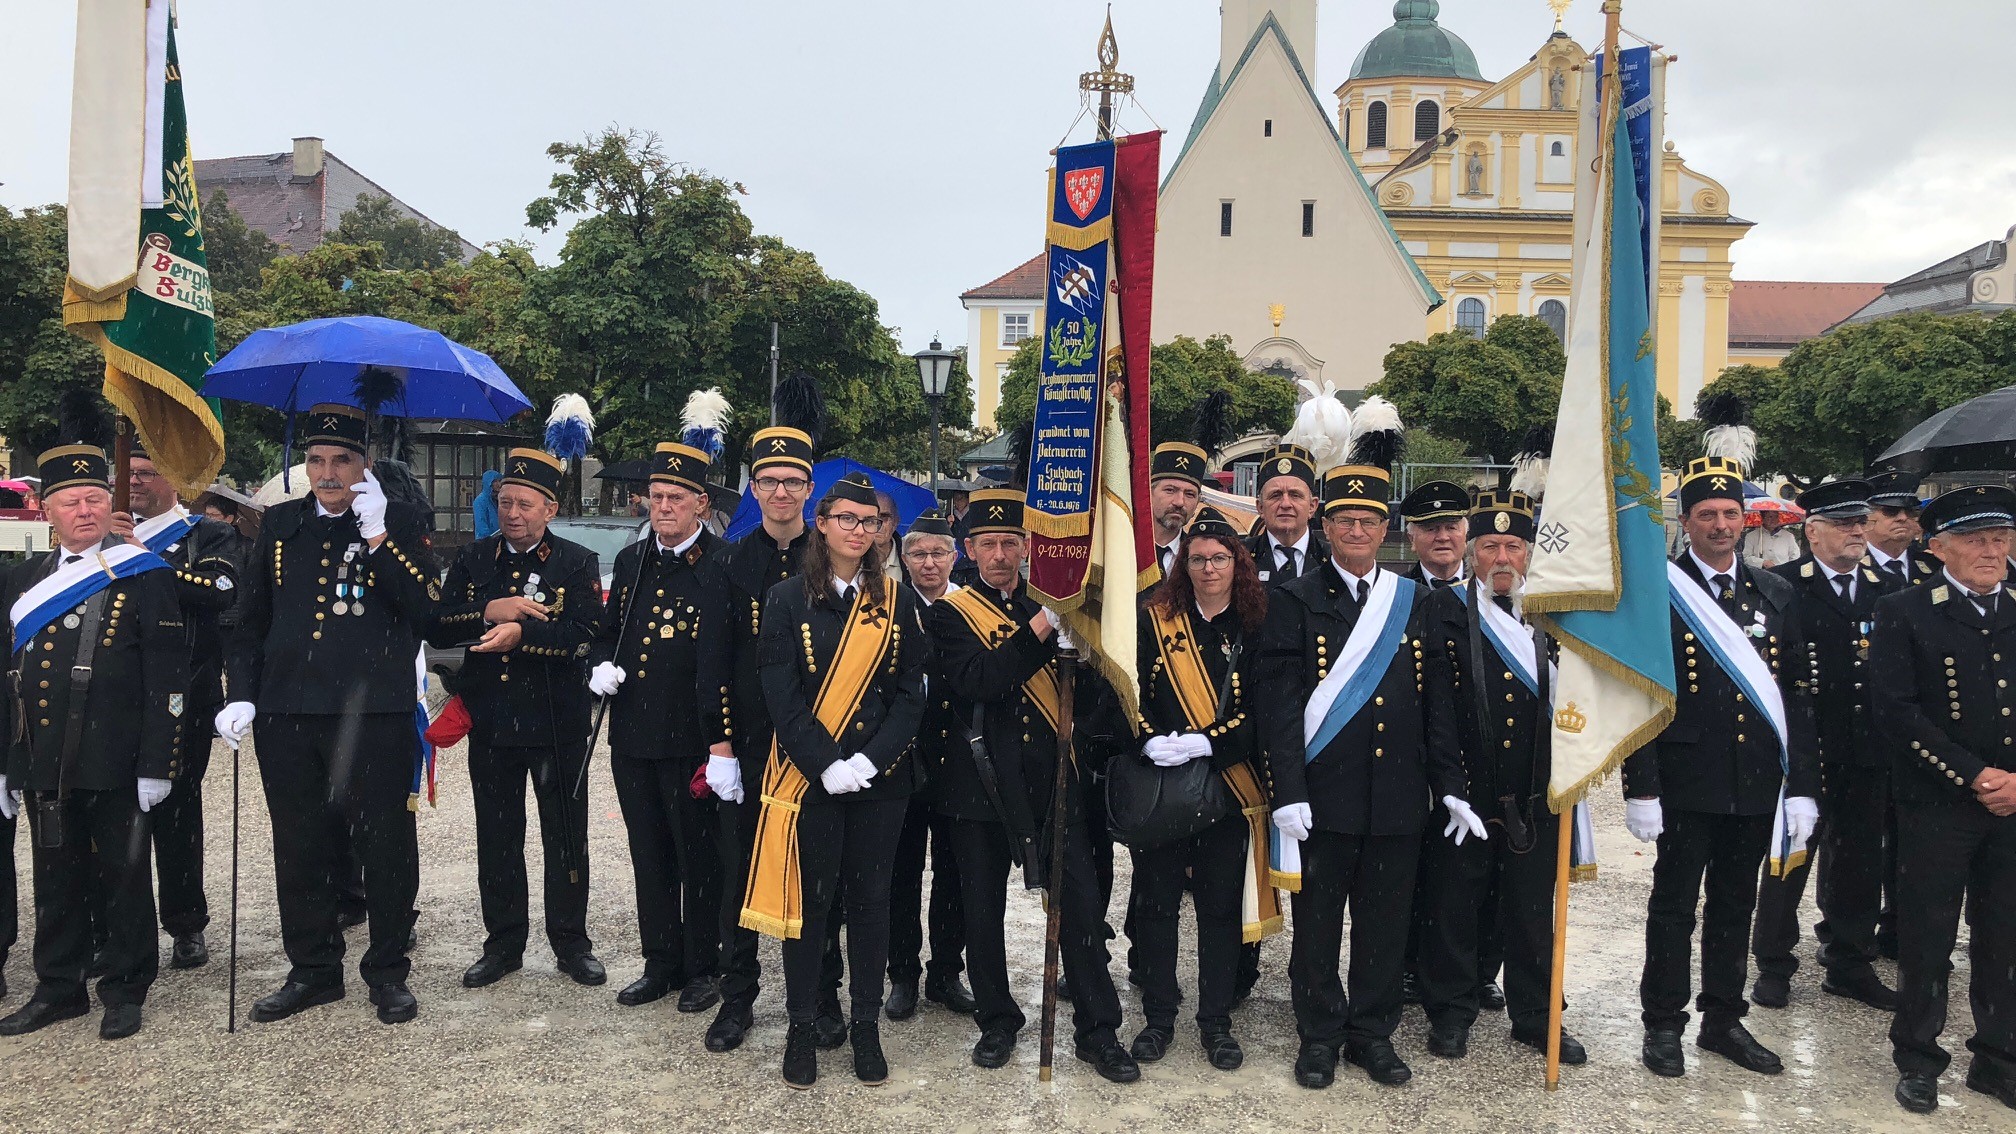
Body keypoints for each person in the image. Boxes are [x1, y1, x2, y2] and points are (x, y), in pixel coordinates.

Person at [1260, 402, 1462, 1091]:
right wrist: (1287, 791)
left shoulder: (1415, 603)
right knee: (1317, 929)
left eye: (1368, 520)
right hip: (1324, 798)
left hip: (1398, 797)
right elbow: (1280, 708)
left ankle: (1372, 1034)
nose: (1355, 530)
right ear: (1326, 526)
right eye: (1344, 519)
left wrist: (1450, 786)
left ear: (1385, 528)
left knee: (1384, 927)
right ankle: (1319, 1035)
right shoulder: (1294, 600)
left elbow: (1437, 709)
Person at [217, 403, 438, 1027]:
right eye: (316, 460)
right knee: (300, 843)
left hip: (373, 713)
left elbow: (427, 609)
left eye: (342, 460)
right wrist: (242, 692)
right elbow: (249, 622)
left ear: (365, 464)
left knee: (385, 843)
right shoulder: (281, 524)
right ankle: (313, 968)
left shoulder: (400, 521)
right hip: (289, 712)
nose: (328, 473)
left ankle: (387, 970)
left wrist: (379, 536)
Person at [924, 488, 1140, 1083]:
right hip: (980, 786)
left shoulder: (1063, 609)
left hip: (1053, 781)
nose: (999, 554)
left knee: (1080, 910)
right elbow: (981, 680)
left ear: (1027, 548)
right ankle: (997, 1021)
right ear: (969, 549)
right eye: (987, 543)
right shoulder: (951, 613)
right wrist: (1044, 626)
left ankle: (1098, 1030)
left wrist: (1082, 657)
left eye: (1010, 543)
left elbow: (1097, 700)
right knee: (981, 911)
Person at [1623, 449, 1819, 1079]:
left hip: (1755, 779)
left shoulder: (1776, 593)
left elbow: (1797, 696)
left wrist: (1802, 785)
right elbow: (1640, 695)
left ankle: (1723, 1020)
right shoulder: (1658, 593)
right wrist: (1641, 786)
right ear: (1685, 521)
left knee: (1736, 904)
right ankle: (1663, 1023)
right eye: (1706, 514)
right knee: (1674, 907)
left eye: (1730, 513)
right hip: (1686, 780)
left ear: (1744, 519)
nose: (1720, 525)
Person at [740, 472, 926, 1088]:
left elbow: (910, 694)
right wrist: (827, 764)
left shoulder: (896, 601)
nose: (858, 530)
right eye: (846, 518)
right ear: (821, 525)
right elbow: (780, 694)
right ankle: (802, 1026)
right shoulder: (786, 599)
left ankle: (866, 1026)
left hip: (880, 782)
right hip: (810, 778)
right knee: (810, 906)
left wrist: (869, 762)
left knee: (872, 904)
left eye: (869, 522)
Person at [0, 444, 187, 1041]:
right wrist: (6, 761)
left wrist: (158, 761)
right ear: (45, 511)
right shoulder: (24, 579)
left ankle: (126, 988)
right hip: (44, 754)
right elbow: (8, 679)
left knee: (123, 878)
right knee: (54, 878)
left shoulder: (144, 574)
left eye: (94, 499)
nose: (84, 511)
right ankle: (59, 987)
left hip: (117, 756)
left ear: (110, 506)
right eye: (70, 502)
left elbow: (167, 676)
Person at [429, 448, 606, 990]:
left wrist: (523, 635)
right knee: (498, 837)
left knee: (565, 836)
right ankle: (503, 943)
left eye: (525, 505)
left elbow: (586, 636)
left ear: (550, 509)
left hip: (555, 722)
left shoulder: (574, 562)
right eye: (505, 502)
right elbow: (439, 624)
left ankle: (571, 942)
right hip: (493, 721)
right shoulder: (474, 558)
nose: (513, 514)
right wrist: (488, 611)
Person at [1418, 488, 1585, 1064]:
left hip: (1538, 788)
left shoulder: (1555, 615)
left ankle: (1537, 1015)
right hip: (1470, 788)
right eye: (1490, 547)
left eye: (1514, 546)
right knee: (1457, 906)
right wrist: (1449, 788)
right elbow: (1436, 709)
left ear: (1530, 553)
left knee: (1533, 910)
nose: (1502, 558)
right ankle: (1451, 1012)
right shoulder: (1443, 609)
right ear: (1473, 553)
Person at [1870, 484, 2016, 1114]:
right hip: (1939, 803)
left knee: (2005, 934)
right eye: (1976, 540)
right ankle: (1919, 1057)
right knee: (1927, 936)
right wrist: (1974, 775)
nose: (1991, 552)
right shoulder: (1906, 611)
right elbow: (1895, 711)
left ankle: (1998, 1058)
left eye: (2000, 539)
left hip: (2012, 805)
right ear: (1939, 548)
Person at [702, 425, 844, 1053]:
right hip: (754, 743)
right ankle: (738, 995)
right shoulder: (729, 563)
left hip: (817, 744)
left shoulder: (834, 560)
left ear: (810, 490)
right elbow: (713, 660)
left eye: (792, 481)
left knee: (819, 874)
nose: (781, 492)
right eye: (769, 481)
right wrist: (721, 745)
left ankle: (823, 995)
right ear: (754, 489)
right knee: (739, 871)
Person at [1126, 505, 1280, 1071]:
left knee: (1219, 910)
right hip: (1163, 789)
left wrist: (1209, 742)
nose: (1209, 568)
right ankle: (1158, 1017)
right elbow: (1128, 691)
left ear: (1238, 563)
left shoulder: (1258, 624)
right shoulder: (1153, 619)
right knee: (1156, 905)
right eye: (1198, 559)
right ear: (1183, 565)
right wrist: (1146, 739)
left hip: (1228, 787)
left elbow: (1265, 709)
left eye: (1219, 558)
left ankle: (1215, 1020)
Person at [1749, 480, 1898, 1014]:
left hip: (1867, 748)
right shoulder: (1783, 586)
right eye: (1843, 524)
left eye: (1860, 523)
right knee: (1789, 857)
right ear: (1813, 532)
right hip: (1805, 746)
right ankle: (1773, 963)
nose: (1856, 532)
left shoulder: (1887, 587)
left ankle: (1850, 962)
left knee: (1859, 860)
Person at [589, 441, 727, 1011]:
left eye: (676, 498)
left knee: (699, 857)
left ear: (701, 503)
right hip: (635, 734)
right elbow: (608, 630)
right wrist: (598, 665)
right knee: (649, 854)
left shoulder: (722, 564)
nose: (663, 507)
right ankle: (661, 962)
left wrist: (724, 742)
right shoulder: (632, 561)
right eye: (656, 496)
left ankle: (705, 967)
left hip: (692, 736)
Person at [107, 442, 241, 972]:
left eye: (145, 472)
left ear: (176, 481)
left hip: (184, 696)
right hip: (115, 697)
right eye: (126, 473)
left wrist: (141, 553)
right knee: (114, 816)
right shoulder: (101, 536)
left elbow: (219, 591)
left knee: (177, 815)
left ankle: (186, 924)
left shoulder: (206, 534)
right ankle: (114, 928)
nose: (133, 482)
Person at [1396, 478, 1491, 1010]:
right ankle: (1410, 964)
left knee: (1473, 869)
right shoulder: (1394, 597)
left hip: (1476, 757)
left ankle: (1479, 970)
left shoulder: (1496, 596)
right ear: (1411, 536)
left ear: (1466, 532)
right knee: (1412, 867)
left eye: (1451, 526)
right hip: (1410, 755)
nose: (1442, 536)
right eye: (1429, 528)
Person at [886, 511, 973, 1020]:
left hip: (956, 759)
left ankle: (945, 972)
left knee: (953, 871)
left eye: (939, 552)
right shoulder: (889, 606)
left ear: (954, 557)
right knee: (900, 872)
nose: (929, 563)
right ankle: (902, 973)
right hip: (902, 758)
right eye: (918, 553)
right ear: (905, 558)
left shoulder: (969, 609)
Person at [1248, 445, 1327, 589]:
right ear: (1260, 507)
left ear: (1312, 506)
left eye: (1295, 495)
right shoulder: (1238, 557)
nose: (1285, 504)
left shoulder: (1335, 560)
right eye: (1275, 495)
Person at [1864, 470, 1938, 585]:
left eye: (1910, 511)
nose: (1903, 517)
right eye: (1891, 511)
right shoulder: (1848, 567)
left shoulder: (1934, 565)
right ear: (1866, 517)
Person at [1146, 443, 1206, 582]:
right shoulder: (1124, 547)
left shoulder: (1199, 556)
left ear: (1198, 502)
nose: (1179, 502)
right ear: (1150, 493)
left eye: (1189, 494)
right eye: (1170, 490)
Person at [1399, 481, 1470, 590]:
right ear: (1412, 539)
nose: (1443, 537)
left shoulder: (1485, 589)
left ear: (1465, 535)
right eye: (1431, 529)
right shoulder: (1398, 592)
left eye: (1451, 528)